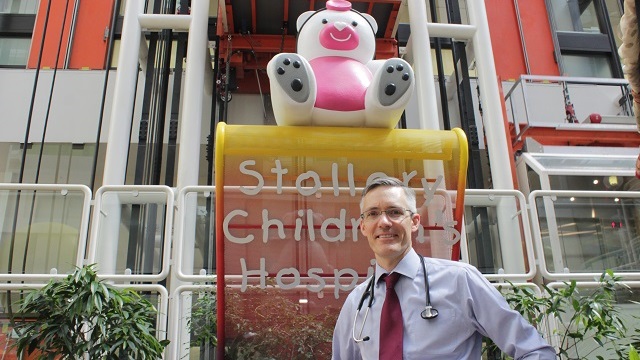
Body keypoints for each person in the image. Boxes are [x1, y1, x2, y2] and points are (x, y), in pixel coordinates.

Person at [331, 177, 556, 359]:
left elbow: (536, 352)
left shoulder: (460, 280)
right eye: (373, 214)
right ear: (363, 226)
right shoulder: (356, 303)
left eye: (395, 212)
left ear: (415, 222)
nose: (384, 222)